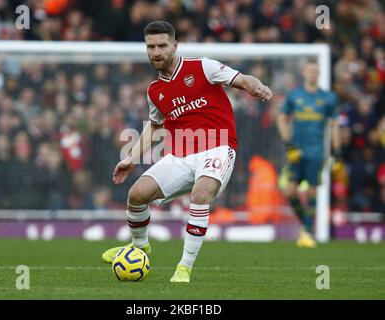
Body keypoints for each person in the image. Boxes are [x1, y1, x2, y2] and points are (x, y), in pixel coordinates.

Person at [102, 21, 272, 282]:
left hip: (218, 147)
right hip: (181, 156)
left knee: (200, 193)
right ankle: (140, 247)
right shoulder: (154, 91)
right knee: (136, 195)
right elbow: (155, 128)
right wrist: (130, 158)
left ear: (175, 45)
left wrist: (255, 86)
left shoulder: (202, 67)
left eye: (162, 45)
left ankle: (184, 268)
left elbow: (242, 79)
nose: (156, 52)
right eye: (150, 47)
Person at [277, 59, 343, 248]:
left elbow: (334, 125)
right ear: (304, 72)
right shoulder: (294, 95)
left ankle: (306, 232)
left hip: (316, 152)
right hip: (296, 152)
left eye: (316, 71)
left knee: (313, 189)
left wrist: (337, 153)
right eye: (310, 71)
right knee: (290, 191)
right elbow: (281, 119)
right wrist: (289, 144)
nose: (313, 74)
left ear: (319, 74)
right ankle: (306, 225)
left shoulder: (328, 97)